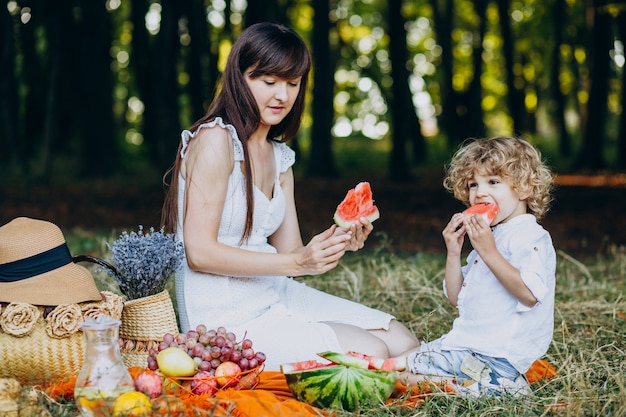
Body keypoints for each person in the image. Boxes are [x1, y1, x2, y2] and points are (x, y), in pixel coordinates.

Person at [161, 22, 419, 371]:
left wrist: (340, 240)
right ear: (240, 78)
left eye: (292, 84)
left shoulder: (280, 158)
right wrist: (297, 263)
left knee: (403, 341)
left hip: (275, 292)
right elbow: (199, 253)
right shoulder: (214, 141)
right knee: (372, 352)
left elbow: (292, 254)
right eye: (268, 82)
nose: (282, 95)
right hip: (223, 313)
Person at [399, 136, 556, 396]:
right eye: (473, 185)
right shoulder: (492, 234)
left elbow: (530, 295)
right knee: (402, 359)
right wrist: (453, 251)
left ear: (525, 188)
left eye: (493, 182)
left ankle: (491, 387)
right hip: (468, 347)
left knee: (402, 377)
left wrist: (488, 250)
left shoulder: (529, 237)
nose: (480, 193)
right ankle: (482, 385)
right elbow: (455, 297)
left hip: (496, 355)